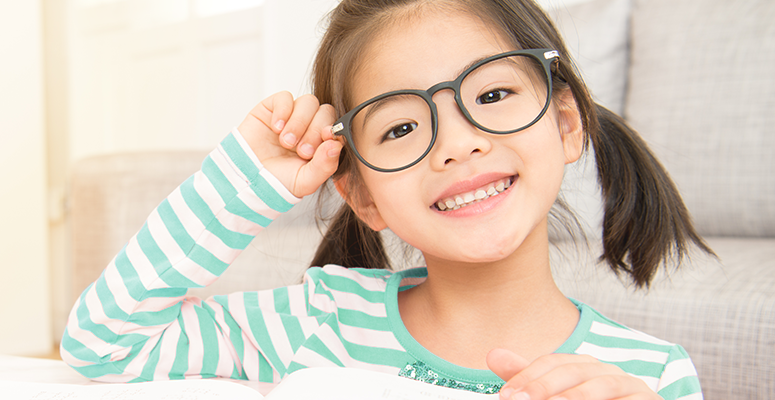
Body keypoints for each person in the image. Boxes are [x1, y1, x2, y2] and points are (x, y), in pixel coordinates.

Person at [61, 0, 713, 399]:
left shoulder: (648, 375)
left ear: (566, 124)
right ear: (363, 197)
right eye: (401, 128)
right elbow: (105, 344)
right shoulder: (318, 320)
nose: (457, 146)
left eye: (491, 96)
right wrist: (242, 181)